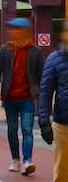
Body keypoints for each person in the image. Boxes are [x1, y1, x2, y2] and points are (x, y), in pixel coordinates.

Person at [0, 17, 44, 175]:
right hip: (10, 98)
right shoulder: (5, 49)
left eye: (17, 29)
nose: (13, 32)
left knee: (27, 130)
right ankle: (15, 159)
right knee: (12, 130)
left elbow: (40, 74)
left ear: (25, 31)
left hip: (27, 98)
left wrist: (41, 93)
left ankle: (27, 160)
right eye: (12, 28)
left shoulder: (35, 51)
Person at [39, 21, 68, 182]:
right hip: (63, 126)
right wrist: (44, 122)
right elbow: (45, 92)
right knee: (62, 175)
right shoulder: (54, 59)